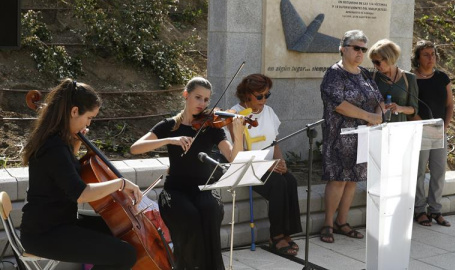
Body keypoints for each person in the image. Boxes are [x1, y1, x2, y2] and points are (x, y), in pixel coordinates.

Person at [20, 78, 142, 270]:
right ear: (74, 111)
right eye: (89, 118)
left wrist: (75, 144)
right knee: (124, 254)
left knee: (118, 230)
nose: (89, 123)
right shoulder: (54, 147)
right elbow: (80, 193)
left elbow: (64, 172)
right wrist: (121, 184)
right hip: (45, 234)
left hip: (60, 221)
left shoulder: (57, 142)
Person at [130, 77, 244, 270]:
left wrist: (238, 134)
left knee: (210, 212)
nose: (203, 104)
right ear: (186, 95)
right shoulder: (169, 126)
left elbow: (233, 158)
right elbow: (135, 148)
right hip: (175, 190)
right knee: (188, 216)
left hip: (204, 187)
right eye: (198, 97)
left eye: (207, 100)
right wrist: (169, 140)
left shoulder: (211, 127)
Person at [319, 30, 384, 243]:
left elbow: (379, 98)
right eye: (356, 48)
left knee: (353, 181)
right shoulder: (334, 74)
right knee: (338, 179)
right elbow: (340, 105)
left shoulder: (364, 73)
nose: (360, 52)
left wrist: (378, 114)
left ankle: (342, 221)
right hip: (340, 137)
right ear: (343, 47)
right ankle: (328, 223)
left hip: (363, 136)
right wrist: (369, 116)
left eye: (363, 49)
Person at [228, 73, 302, 256]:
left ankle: (287, 232)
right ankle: (275, 236)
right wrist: (268, 166)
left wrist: (280, 161)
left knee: (290, 180)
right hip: (247, 166)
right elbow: (238, 151)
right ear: (247, 95)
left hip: (269, 165)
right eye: (259, 96)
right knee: (277, 184)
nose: (264, 100)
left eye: (267, 95)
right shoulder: (235, 114)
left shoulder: (269, 112)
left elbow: (274, 141)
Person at [411, 40, 454, 227]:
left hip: (439, 130)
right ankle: (419, 210)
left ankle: (435, 210)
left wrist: (445, 126)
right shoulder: (412, 78)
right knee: (419, 172)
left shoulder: (443, 77)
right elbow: (410, 106)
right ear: (418, 58)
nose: (431, 58)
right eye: (426, 54)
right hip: (419, 130)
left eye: (433, 54)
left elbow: (450, 104)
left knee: (438, 172)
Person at [368, 39, 419, 122]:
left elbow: (414, 109)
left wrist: (399, 108)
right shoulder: (371, 76)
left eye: (377, 62)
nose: (375, 66)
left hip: (399, 129)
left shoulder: (409, 78)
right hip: (376, 128)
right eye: (373, 62)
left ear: (389, 59)